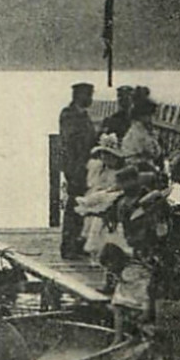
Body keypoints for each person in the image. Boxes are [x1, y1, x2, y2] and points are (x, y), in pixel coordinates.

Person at [58, 82, 97, 260]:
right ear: (78, 96)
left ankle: (77, 244)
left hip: (84, 166)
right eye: (88, 95)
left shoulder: (84, 116)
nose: (90, 99)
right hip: (75, 166)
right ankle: (68, 246)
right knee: (74, 206)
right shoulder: (69, 115)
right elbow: (71, 142)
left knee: (81, 205)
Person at [75, 134, 125, 259]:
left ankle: (88, 202)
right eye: (103, 156)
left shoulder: (118, 172)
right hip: (103, 195)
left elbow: (117, 186)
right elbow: (92, 182)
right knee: (95, 214)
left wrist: (109, 189)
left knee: (102, 201)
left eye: (109, 157)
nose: (106, 159)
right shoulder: (99, 168)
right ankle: (93, 247)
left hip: (114, 195)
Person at [120, 97, 164, 170]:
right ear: (140, 116)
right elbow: (152, 151)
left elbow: (156, 153)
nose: (151, 118)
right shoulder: (137, 132)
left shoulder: (146, 130)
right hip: (136, 168)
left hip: (145, 166)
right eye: (148, 115)